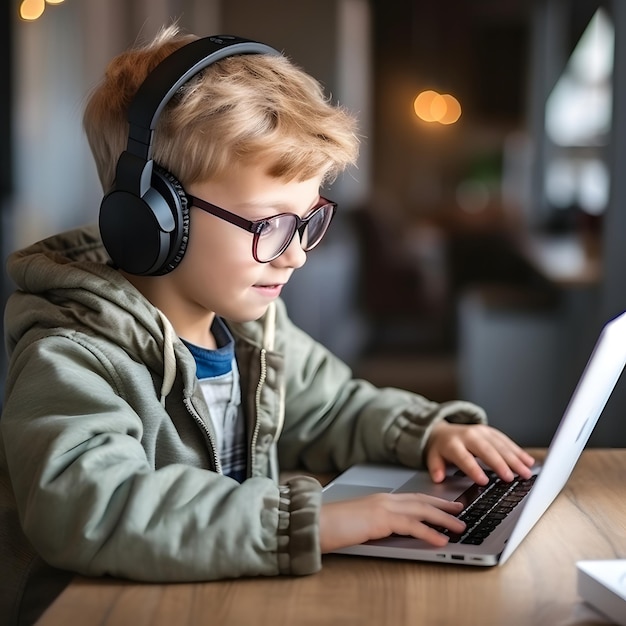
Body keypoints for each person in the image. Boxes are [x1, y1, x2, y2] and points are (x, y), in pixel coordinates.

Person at [0, 25, 535, 625]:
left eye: (306, 222)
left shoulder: (257, 332)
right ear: (153, 220)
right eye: (269, 225)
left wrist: (428, 431)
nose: (296, 255)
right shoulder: (74, 355)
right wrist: (305, 523)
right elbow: (92, 506)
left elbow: (337, 407)